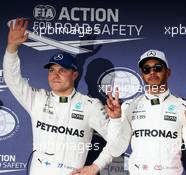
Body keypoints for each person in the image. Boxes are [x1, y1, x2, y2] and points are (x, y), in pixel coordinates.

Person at [4, 18, 119, 175]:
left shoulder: (90, 105)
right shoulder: (37, 99)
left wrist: (96, 166)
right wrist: (12, 48)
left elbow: (116, 141)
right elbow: (12, 78)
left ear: (75, 74)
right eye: (51, 70)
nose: (55, 75)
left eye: (62, 70)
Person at [105, 49, 186, 175]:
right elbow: (115, 150)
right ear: (142, 75)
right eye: (146, 69)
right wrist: (115, 120)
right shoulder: (128, 106)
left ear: (168, 72)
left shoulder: (185, 108)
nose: (152, 72)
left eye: (157, 68)